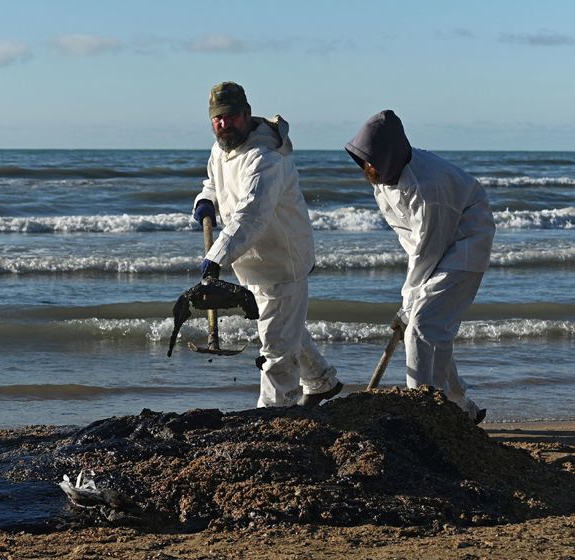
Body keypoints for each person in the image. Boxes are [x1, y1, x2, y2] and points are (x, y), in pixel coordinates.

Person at [192, 81, 342, 408]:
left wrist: (216, 257)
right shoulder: (221, 149)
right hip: (252, 261)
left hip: (282, 260)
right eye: (217, 118)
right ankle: (320, 381)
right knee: (283, 325)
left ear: (247, 114)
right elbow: (213, 184)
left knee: (274, 344)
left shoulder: (266, 158)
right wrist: (206, 200)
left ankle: (275, 413)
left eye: (230, 117)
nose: (223, 124)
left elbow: (252, 215)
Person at [345, 110, 495, 423]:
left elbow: (429, 249)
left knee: (423, 326)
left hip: (466, 240)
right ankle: (459, 407)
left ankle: (425, 414)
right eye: (364, 159)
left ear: (389, 155)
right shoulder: (384, 176)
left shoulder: (428, 189)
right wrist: (411, 299)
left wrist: (408, 303)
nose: (367, 166)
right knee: (433, 326)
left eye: (372, 159)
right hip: (435, 242)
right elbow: (415, 242)